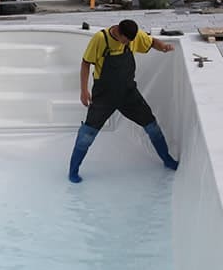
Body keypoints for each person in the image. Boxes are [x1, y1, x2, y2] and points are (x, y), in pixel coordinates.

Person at [68, 19, 179, 183]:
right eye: (125, 40)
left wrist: (163, 47)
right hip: (104, 96)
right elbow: (85, 64)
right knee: (87, 134)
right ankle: (73, 171)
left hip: (128, 93)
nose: (128, 44)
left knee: (151, 125)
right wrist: (84, 91)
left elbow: (151, 41)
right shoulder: (100, 39)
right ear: (119, 33)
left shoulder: (132, 36)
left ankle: (167, 159)